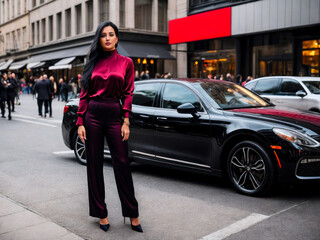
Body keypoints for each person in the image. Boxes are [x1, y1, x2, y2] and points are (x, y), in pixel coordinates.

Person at [77, 21, 142, 233]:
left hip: (115, 114)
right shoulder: (91, 64)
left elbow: (128, 93)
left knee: (122, 162)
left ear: (117, 38)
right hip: (92, 115)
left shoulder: (126, 62)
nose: (107, 38)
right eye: (103, 35)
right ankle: (101, 213)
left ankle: (132, 213)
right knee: (94, 164)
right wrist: (80, 122)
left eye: (111, 34)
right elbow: (84, 95)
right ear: (99, 38)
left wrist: (126, 120)